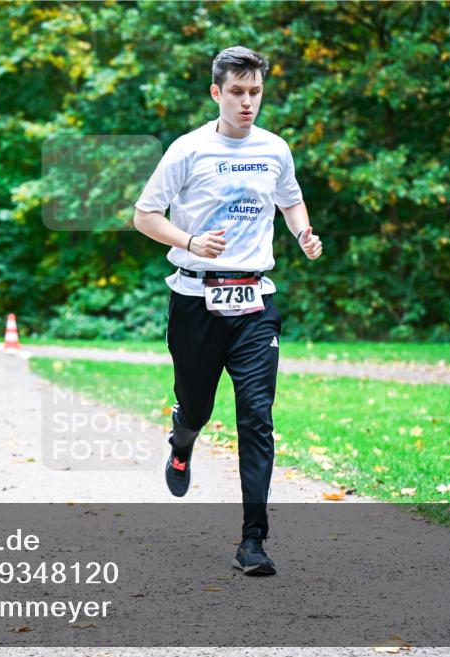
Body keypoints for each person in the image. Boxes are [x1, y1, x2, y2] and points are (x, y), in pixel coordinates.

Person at [133, 46, 323, 576]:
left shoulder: (274, 149)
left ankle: (253, 540)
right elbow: (145, 216)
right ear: (216, 92)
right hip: (195, 299)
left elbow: (290, 200)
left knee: (257, 417)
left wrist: (303, 233)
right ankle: (182, 439)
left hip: (255, 302)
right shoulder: (188, 150)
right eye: (237, 92)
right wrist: (190, 242)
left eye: (255, 92)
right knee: (197, 407)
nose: (247, 102)